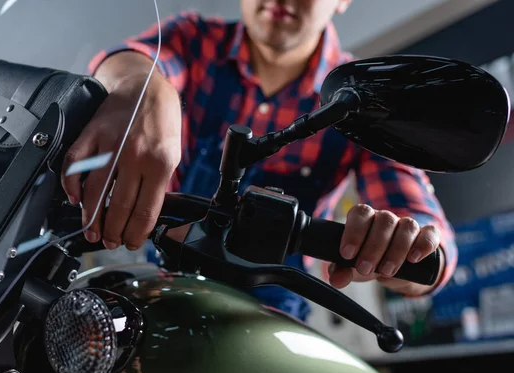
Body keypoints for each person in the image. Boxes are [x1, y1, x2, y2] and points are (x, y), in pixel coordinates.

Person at [62, 0, 458, 321]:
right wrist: (142, 87)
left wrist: (404, 244)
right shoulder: (194, 39)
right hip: (162, 292)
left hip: (270, 322)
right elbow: (128, 58)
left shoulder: (362, 103)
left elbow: (427, 235)